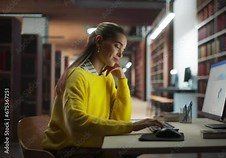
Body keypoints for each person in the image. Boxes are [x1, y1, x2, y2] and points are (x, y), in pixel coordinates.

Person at [42, 22, 163, 157]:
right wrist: (132, 126)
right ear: (99, 41)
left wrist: (122, 81)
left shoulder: (107, 78)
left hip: (95, 143)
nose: (120, 54)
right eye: (117, 46)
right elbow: (76, 123)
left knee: (134, 150)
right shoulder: (77, 75)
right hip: (70, 148)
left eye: (122, 50)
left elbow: (120, 120)